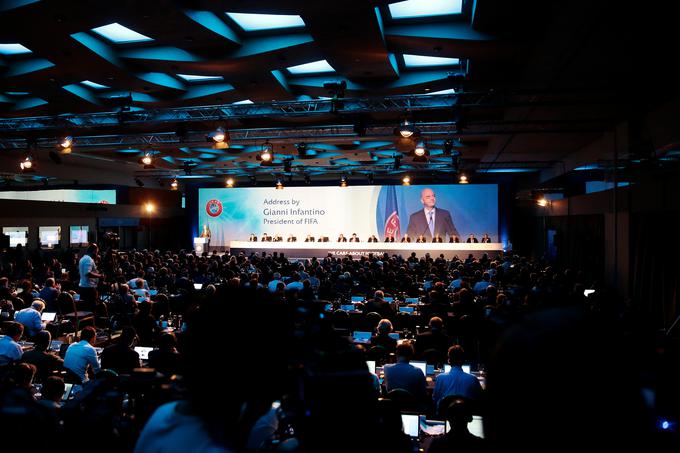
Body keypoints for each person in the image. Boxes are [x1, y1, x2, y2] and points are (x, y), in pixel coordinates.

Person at [432, 345, 483, 414]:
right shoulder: (473, 379)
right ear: (463, 360)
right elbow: (480, 400)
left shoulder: (439, 378)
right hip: (466, 417)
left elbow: (435, 400)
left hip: (444, 416)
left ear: (449, 360)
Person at [78, 243, 103, 313]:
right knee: (91, 309)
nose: (97, 254)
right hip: (89, 288)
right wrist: (100, 276)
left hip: (83, 287)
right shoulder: (88, 260)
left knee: (85, 309)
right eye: (96, 252)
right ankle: (92, 322)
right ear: (94, 251)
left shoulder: (82, 258)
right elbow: (87, 273)